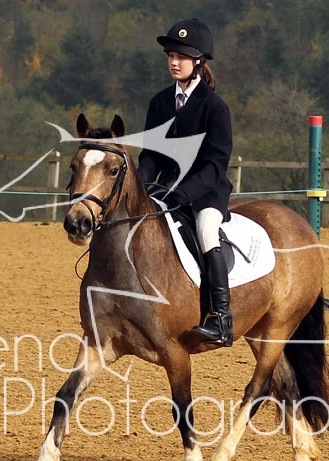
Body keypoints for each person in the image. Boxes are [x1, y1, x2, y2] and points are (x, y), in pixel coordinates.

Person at [137, 18, 235, 347]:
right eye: (171, 56)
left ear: (199, 62)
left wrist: (186, 192)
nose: (174, 62)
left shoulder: (215, 107)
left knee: (206, 231)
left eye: (181, 57)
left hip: (206, 191)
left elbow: (216, 163)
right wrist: (141, 182)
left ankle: (221, 317)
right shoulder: (159, 103)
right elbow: (151, 154)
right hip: (167, 188)